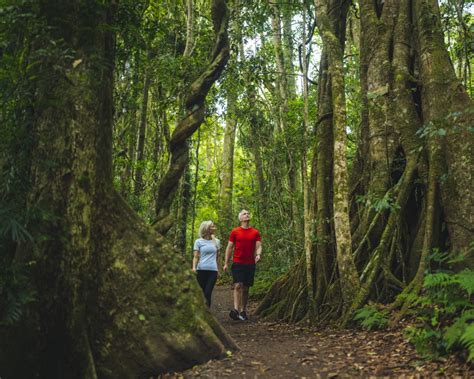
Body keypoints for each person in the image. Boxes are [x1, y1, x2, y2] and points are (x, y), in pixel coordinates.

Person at [223, 209, 262, 321]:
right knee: (238, 285)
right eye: (244, 213)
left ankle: (243, 311)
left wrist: (258, 254)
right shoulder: (235, 231)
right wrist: (226, 263)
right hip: (238, 262)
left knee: (245, 288)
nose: (247, 214)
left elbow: (259, 245)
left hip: (250, 263)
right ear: (240, 218)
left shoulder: (255, 232)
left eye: (248, 213)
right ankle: (235, 310)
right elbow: (229, 247)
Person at [192, 221, 220, 307]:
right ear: (207, 229)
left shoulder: (217, 241)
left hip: (213, 271)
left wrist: (219, 270)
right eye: (212, 226)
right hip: (201, 270)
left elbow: (218, 257)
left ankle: (207, 313)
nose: (214, 228)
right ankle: (201, 313)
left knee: (208, 292)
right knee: (201, 293)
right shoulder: (198, 242)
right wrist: (194, 268)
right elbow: (196, 257)